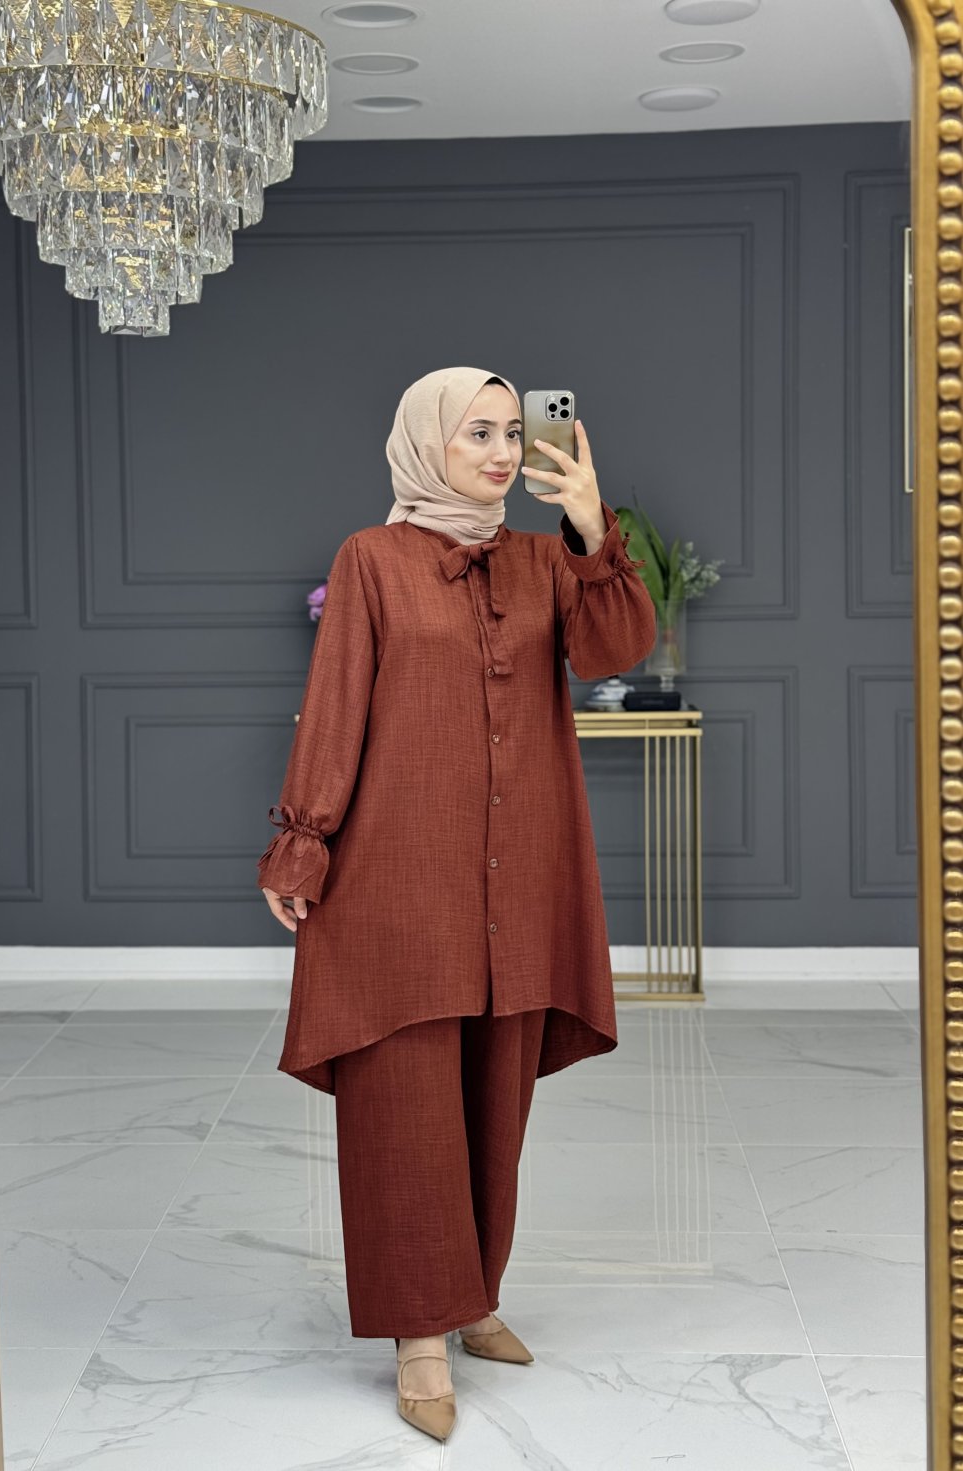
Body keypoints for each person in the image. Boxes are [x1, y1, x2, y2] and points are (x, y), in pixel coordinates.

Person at [257, 365, 656, 1443]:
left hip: (518, 876)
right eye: (476, 431)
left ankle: (473, 1294)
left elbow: (616, 649)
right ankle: (419, 1335)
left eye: (511, 432)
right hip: (398, 875)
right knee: (403, 1102)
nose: (498, 451)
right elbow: (336, 703)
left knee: (494, 1094)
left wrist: (590, 528)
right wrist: (303, 840)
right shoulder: (373, 559)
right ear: (425, 440)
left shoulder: (543, 562)